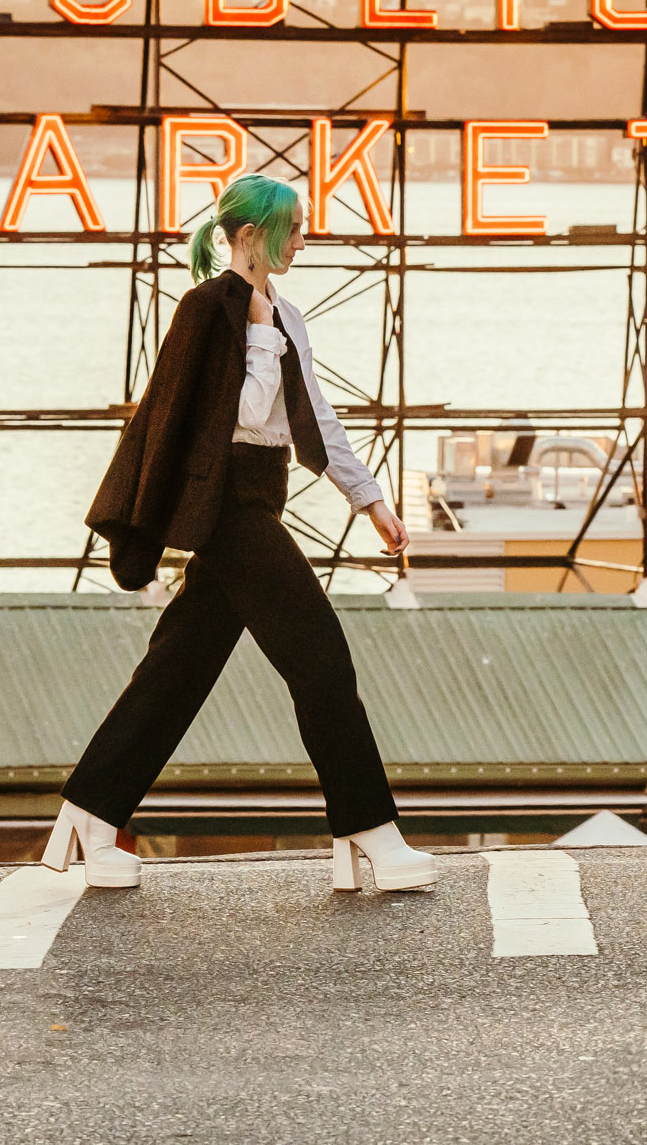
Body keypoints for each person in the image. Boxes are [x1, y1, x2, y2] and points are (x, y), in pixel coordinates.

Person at [62, 172, 437, 894]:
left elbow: (312, 416)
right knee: (320, 655)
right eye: (291, 227)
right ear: (246, 236)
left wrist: (369, 499)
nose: (303, 238)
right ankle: (371, 832)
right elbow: (235, 413)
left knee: (179, 668)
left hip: (262, 495)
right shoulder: (207, 310)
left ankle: (90, 810)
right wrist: (260, 337)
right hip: (226, 504)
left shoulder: (287, 316)